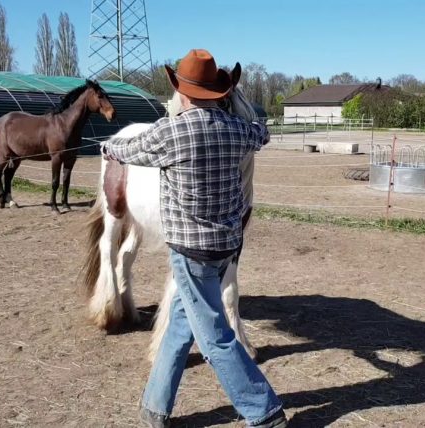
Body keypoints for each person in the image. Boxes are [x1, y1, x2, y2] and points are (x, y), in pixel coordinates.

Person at [100, 49, 286, 428]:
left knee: (216, 339)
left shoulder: (171, 132)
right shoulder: (238, 130)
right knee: (181, 327)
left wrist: (107, 147)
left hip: (191, 251)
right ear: (218, 94)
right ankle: (155, 407)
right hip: (227, 247)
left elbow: (128, 150)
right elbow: (262, 132)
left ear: (182, 94)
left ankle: (263, 411)